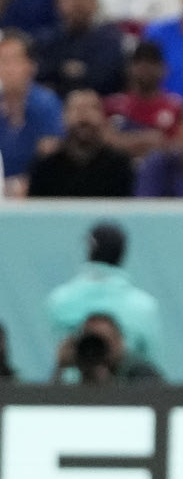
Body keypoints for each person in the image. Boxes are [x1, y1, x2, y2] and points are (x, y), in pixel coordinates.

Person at [45, 221, 163, 369]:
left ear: (89, 249)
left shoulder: (59, 300)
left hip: (73, 383)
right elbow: (152, 363)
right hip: (128, 383)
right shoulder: (145, 307)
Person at [34, 0, 126, 97]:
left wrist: (64, 72)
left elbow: (105, 79)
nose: (78, 4)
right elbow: (41, 76)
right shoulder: (46, 40)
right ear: (59, 2)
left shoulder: (110, 40)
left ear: (95, 2)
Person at [28, 89, 134, 197]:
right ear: (63, 118)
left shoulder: (119, 167)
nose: (84, 116)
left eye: (91, 108)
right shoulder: (46, 168)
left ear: (103, 117)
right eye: (76, 109)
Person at [0, 29, 64, 196]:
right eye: (2, 61)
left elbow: (50, 159)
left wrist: (24, 185)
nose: (7, 69)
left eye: (14, 60)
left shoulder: (46, 104)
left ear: (31, 66)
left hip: (36, 193)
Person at [104, 41, 183, 159]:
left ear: (164, 69)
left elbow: (180, 146)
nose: (145, 67)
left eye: (151, 62)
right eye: (139, 62)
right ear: (128, 68)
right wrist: (143, 140)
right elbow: (104, 140)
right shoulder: (112, 105)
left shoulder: (177, 107)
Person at [52, 313, 162, 385]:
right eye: (91, 342)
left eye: (103, 341)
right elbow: (52, 406)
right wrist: (61, 367)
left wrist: (105, 379)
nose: (95, 349)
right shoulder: (76, 375)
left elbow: (152, 401)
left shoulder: (138, 371)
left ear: (120, 342)